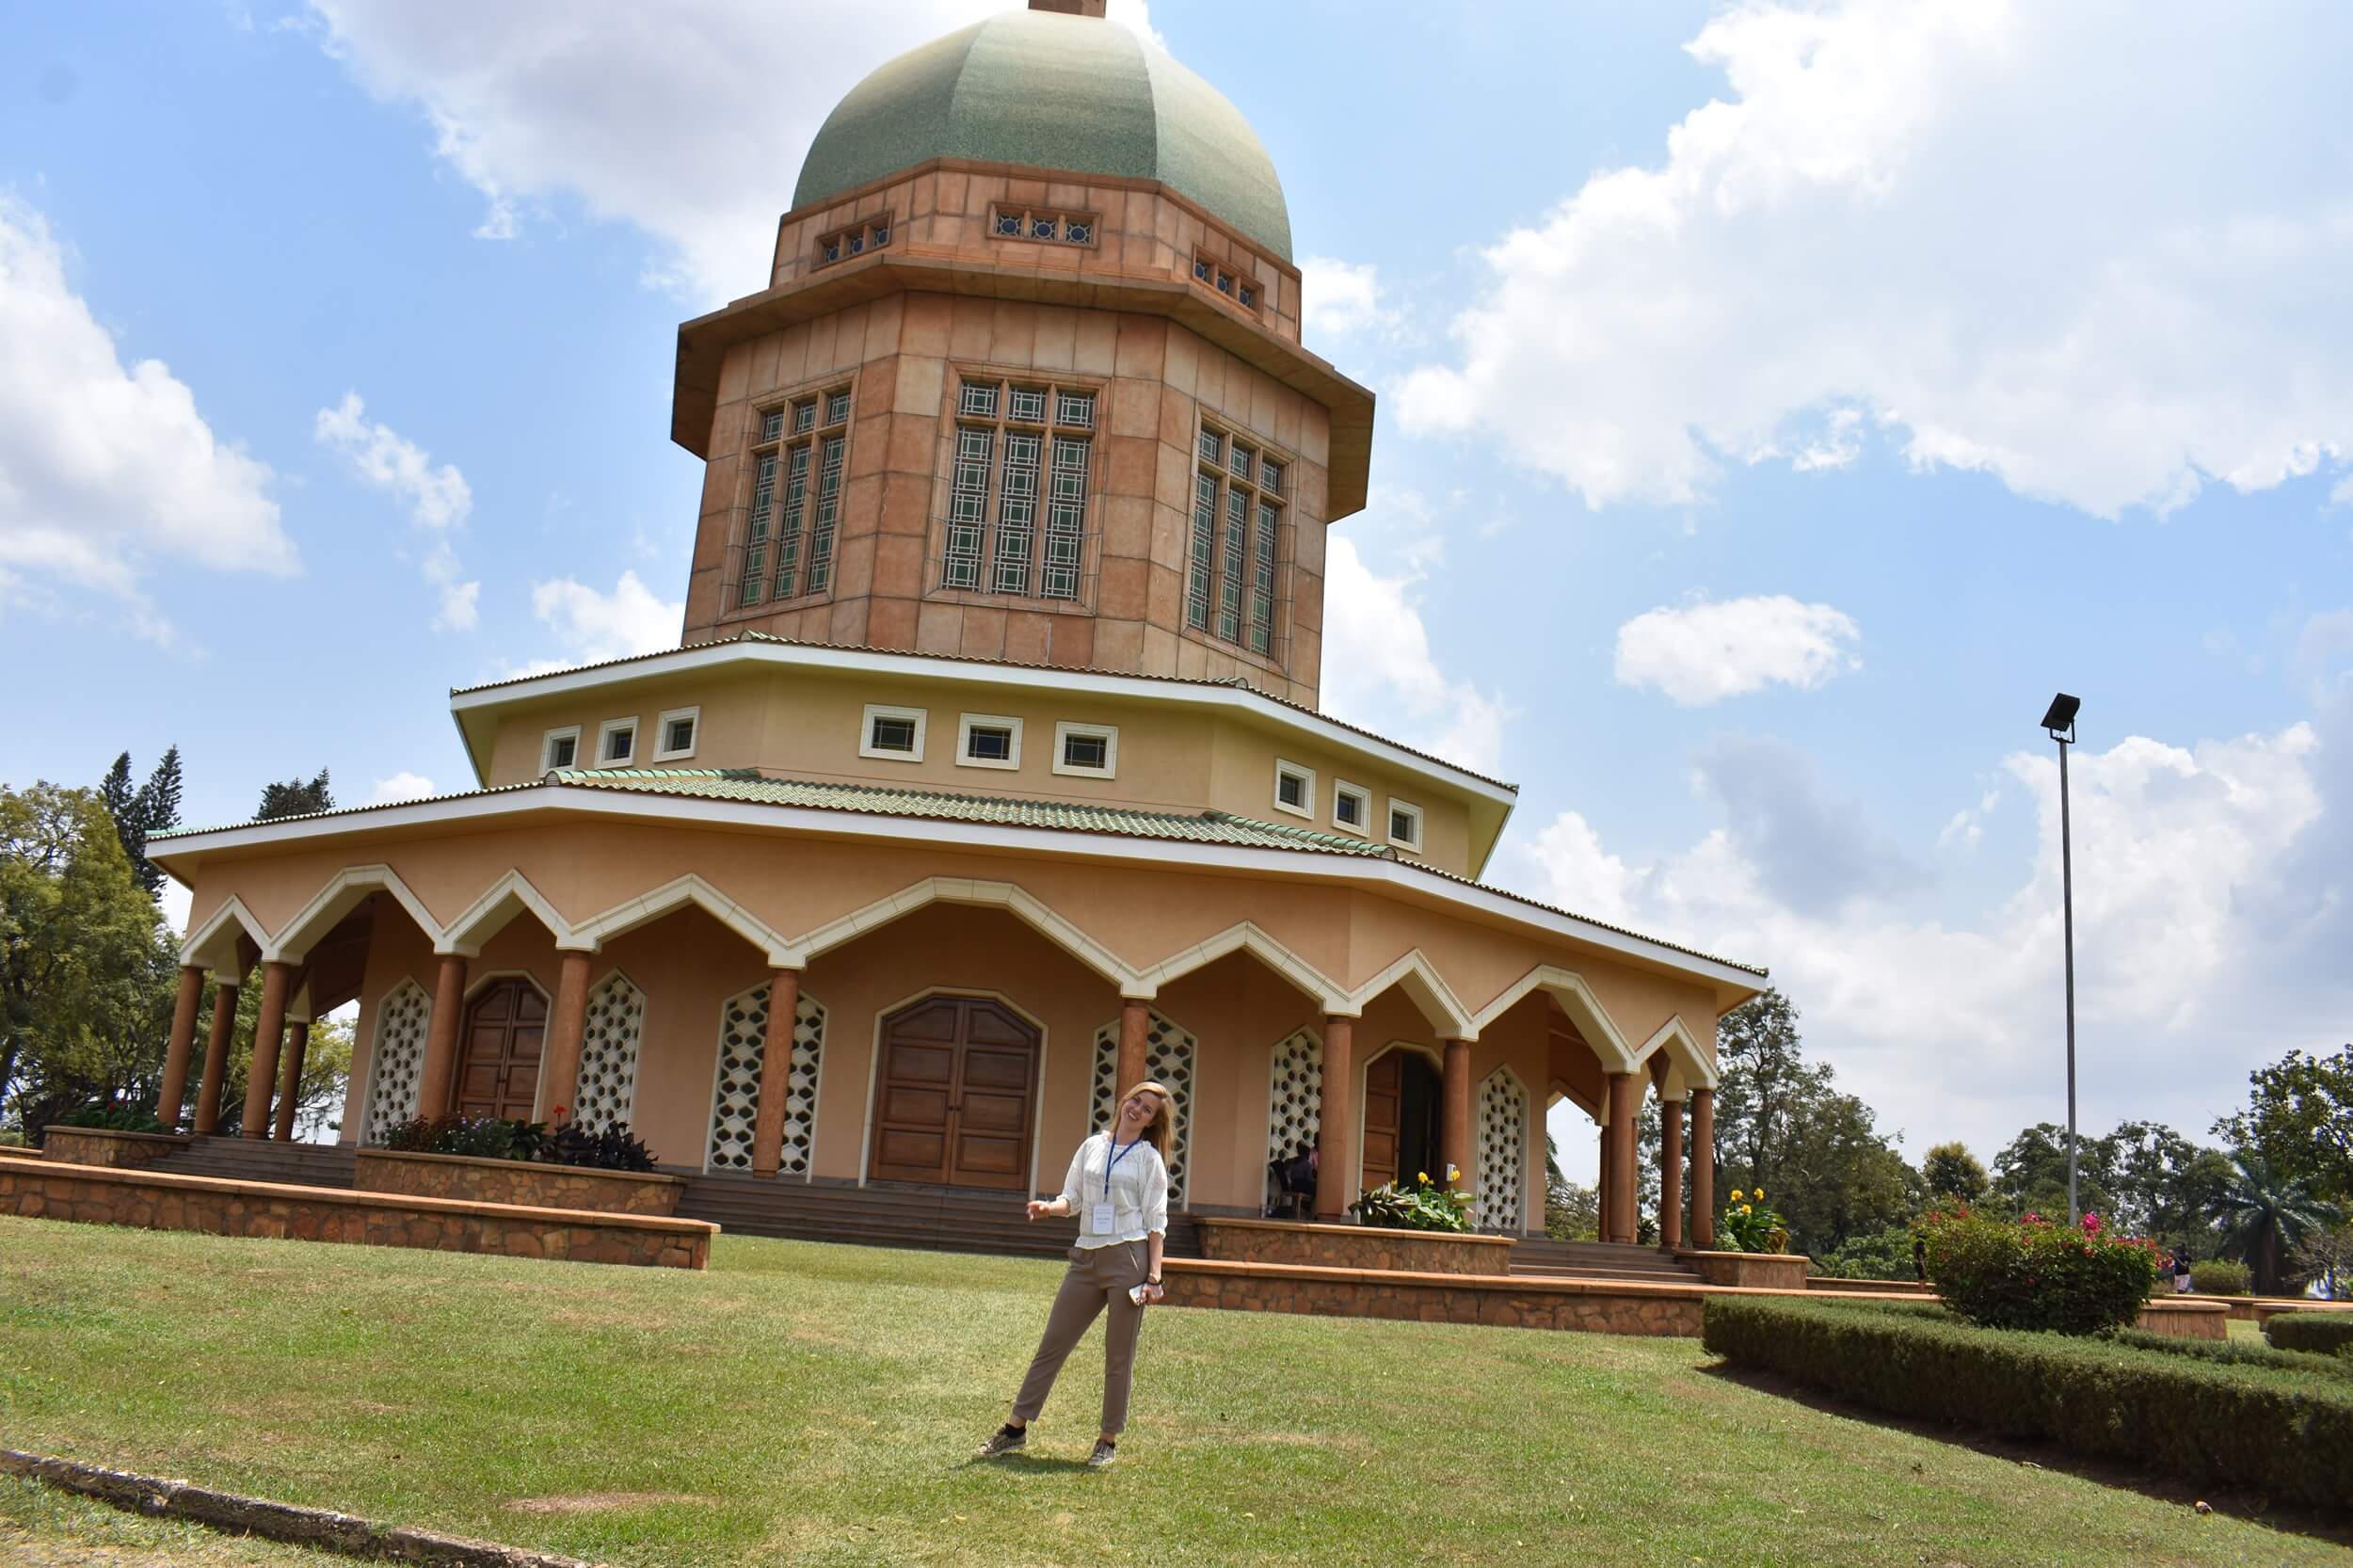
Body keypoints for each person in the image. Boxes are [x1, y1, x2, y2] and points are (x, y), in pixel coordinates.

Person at [976, 1081, 1173, 1469]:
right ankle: (1015, 1429)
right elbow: (1074, 1199)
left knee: (1119, 1355)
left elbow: (1156, 1222)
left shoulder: (1149, 1159)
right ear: (1125, 1100)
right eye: (1136, 1100)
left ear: (1152, 1121)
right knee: (1053, 1343)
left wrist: (1154, 1277)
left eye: (1147, 1109)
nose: (1137, 1109)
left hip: (1127, 1260)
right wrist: (1049, 1208)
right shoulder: (1093, 1146)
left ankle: (1107, 1439)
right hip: (1085, 1256)